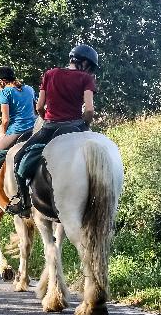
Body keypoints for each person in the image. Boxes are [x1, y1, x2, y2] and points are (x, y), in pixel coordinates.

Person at [5, 44, 98, 217]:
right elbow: (90, 110)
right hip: (75, 127)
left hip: (50, 127)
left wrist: (47, 117)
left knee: (18, 158)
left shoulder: (50, 74)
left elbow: (39, 106)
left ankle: (24, 203)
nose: (91, 71)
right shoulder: (86, 79)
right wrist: (84, 125)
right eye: (91, 67)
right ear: (84, 63)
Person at [0, 66, 36, 172]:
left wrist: (4, 133)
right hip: (33, 129)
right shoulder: (29, 89)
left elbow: (5, 120)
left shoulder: (4, 93)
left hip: (17, 131)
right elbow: (35, 109)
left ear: (1, 81)